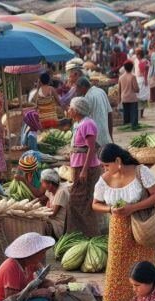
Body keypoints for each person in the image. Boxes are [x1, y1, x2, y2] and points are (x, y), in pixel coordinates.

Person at [93, 144, 155, 301]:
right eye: (103, 166)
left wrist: (132, 208)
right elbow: (95, 204)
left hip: (141, 227)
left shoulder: (141, 171)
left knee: (141, 267)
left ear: (118, 161)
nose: (104, 168)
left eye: (106, 165)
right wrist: (110, 209)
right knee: (115, 269)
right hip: (118, 230)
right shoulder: (104, 179)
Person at [67, 97, 101, 237]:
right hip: (78, 167)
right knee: (77, 202)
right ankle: (79, 234)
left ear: (76, 110)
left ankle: (91, 235)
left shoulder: (87, 124)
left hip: (86, 168)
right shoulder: (79, 124)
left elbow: (91, 148)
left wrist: (84, 170)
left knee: (82, 202)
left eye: (70, 108)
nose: (68, 110)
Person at [76, 77, 113, 147]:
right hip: (105, 136)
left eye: (78, 88)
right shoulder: (101, 91)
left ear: (83, 87)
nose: (76, 90)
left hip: (96, 138)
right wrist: (110, 135)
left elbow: (84, 121)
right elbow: (110, 113)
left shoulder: (87, 98)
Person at [41, 169, 70, 239]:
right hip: (51, 219)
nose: (41, 184)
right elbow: (47, 205)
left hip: (58, 224)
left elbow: (53, 213)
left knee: (39, 224)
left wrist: (40, 213)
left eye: (43, 182)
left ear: (50, 184)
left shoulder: (61, 192)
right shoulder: (50, 190)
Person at [118, 60, 140, 130]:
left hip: (124, 98)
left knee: (126, 113)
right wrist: (138, 89)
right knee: (133, 113)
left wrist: (119, 100)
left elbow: (119, 90)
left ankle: (126, 125)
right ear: (132, 67)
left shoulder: (121, 77)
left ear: (124, 68)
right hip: (132, 98)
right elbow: (136, 89)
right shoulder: (133, 76)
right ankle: (133, 126)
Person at [134, 48, 150, 118]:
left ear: (141, 55)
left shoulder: (145, 61)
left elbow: (146, 71)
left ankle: (141, 114)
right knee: (137, 96)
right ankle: (137, 113)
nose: (137, 56)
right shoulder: (135, 60)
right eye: (136, 54)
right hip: (137, 79)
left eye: (138, 54)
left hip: (143, 80)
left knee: (143, 97)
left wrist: (146, 80)